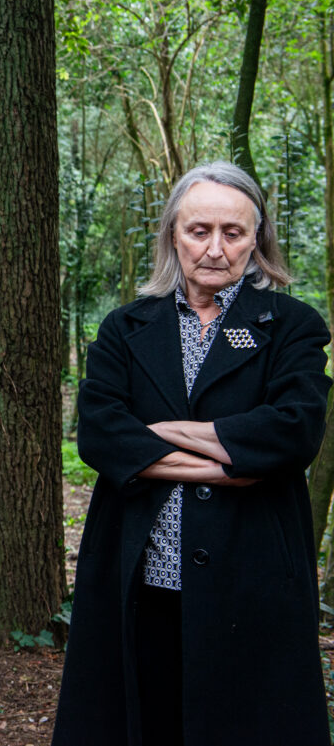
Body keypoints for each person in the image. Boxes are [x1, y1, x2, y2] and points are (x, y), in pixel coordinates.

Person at [52, 162, 332, 746]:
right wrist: (228, 459)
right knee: (142, 722)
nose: (214, 249)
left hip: (250, 581)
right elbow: (101, 434)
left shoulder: (291, 327)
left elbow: (291, 432)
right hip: (140, 577)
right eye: (198, 231)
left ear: (257, 240)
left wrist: (159, 433)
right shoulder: (125, 327)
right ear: (173, 236)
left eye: (233, 232)